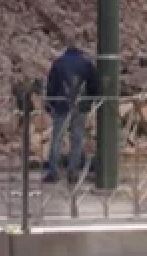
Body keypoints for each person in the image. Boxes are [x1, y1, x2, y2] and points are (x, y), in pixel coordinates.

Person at [44, 34, 101, 184]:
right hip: (80, 105)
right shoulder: (86, 64)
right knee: (77, 138)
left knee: (57, 138)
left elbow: (51, 86)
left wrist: (50, 104)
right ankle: (73, 171)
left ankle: (53, 172)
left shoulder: (58, 63)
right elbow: (94, 85)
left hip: (61, 104)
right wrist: (91, 101)